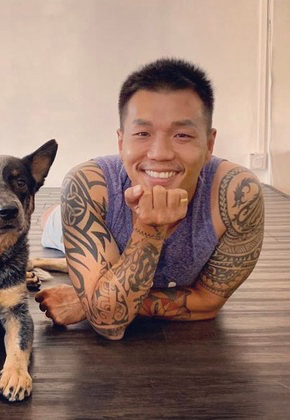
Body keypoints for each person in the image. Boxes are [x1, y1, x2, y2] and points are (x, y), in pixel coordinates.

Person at [35, 58, 264, 340]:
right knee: (52, 224)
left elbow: (208, 303)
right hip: (86, 220)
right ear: (121, 143)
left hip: (114, 265)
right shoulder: (88, 186)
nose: (160, 153)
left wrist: (90, 301)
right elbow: (109, 323)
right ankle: (56, 218)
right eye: (143, 133)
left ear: (209, 145)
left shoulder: (237, 193)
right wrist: (150, 229)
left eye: (182, 135)